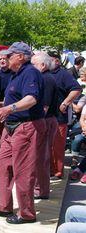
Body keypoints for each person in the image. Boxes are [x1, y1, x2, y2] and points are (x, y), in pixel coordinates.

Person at [0, 42, 46, 224]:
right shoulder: (16, 75)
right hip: (11, 128)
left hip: (26, 127)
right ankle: (2, 206)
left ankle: (27, 214)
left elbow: (31, 98)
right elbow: (17, 98)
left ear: (21, 56)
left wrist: (9, 109)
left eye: (9, 55)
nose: (5, 59)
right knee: (2, 165)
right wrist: (1, 107)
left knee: (23, 171)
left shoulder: (30, 72)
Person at [49, 51, 81, 180]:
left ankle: (57, 171)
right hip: (46, 116)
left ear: (57, 60)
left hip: (59, 116)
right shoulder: (44, 73)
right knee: (48, 146)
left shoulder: (63, 74)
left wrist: (66, 102)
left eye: (50, 59)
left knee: (57, 145)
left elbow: (77, 88)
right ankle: (50, 170)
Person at [31, 51, 58, 199]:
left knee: (41, 157)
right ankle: (39, 188)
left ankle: (41, 190)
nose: (31, 67)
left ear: (42, 65)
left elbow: (44, 107)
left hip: (45, 121)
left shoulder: (46, 79)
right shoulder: (46, 77)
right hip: (45, 120)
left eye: (33, 64)